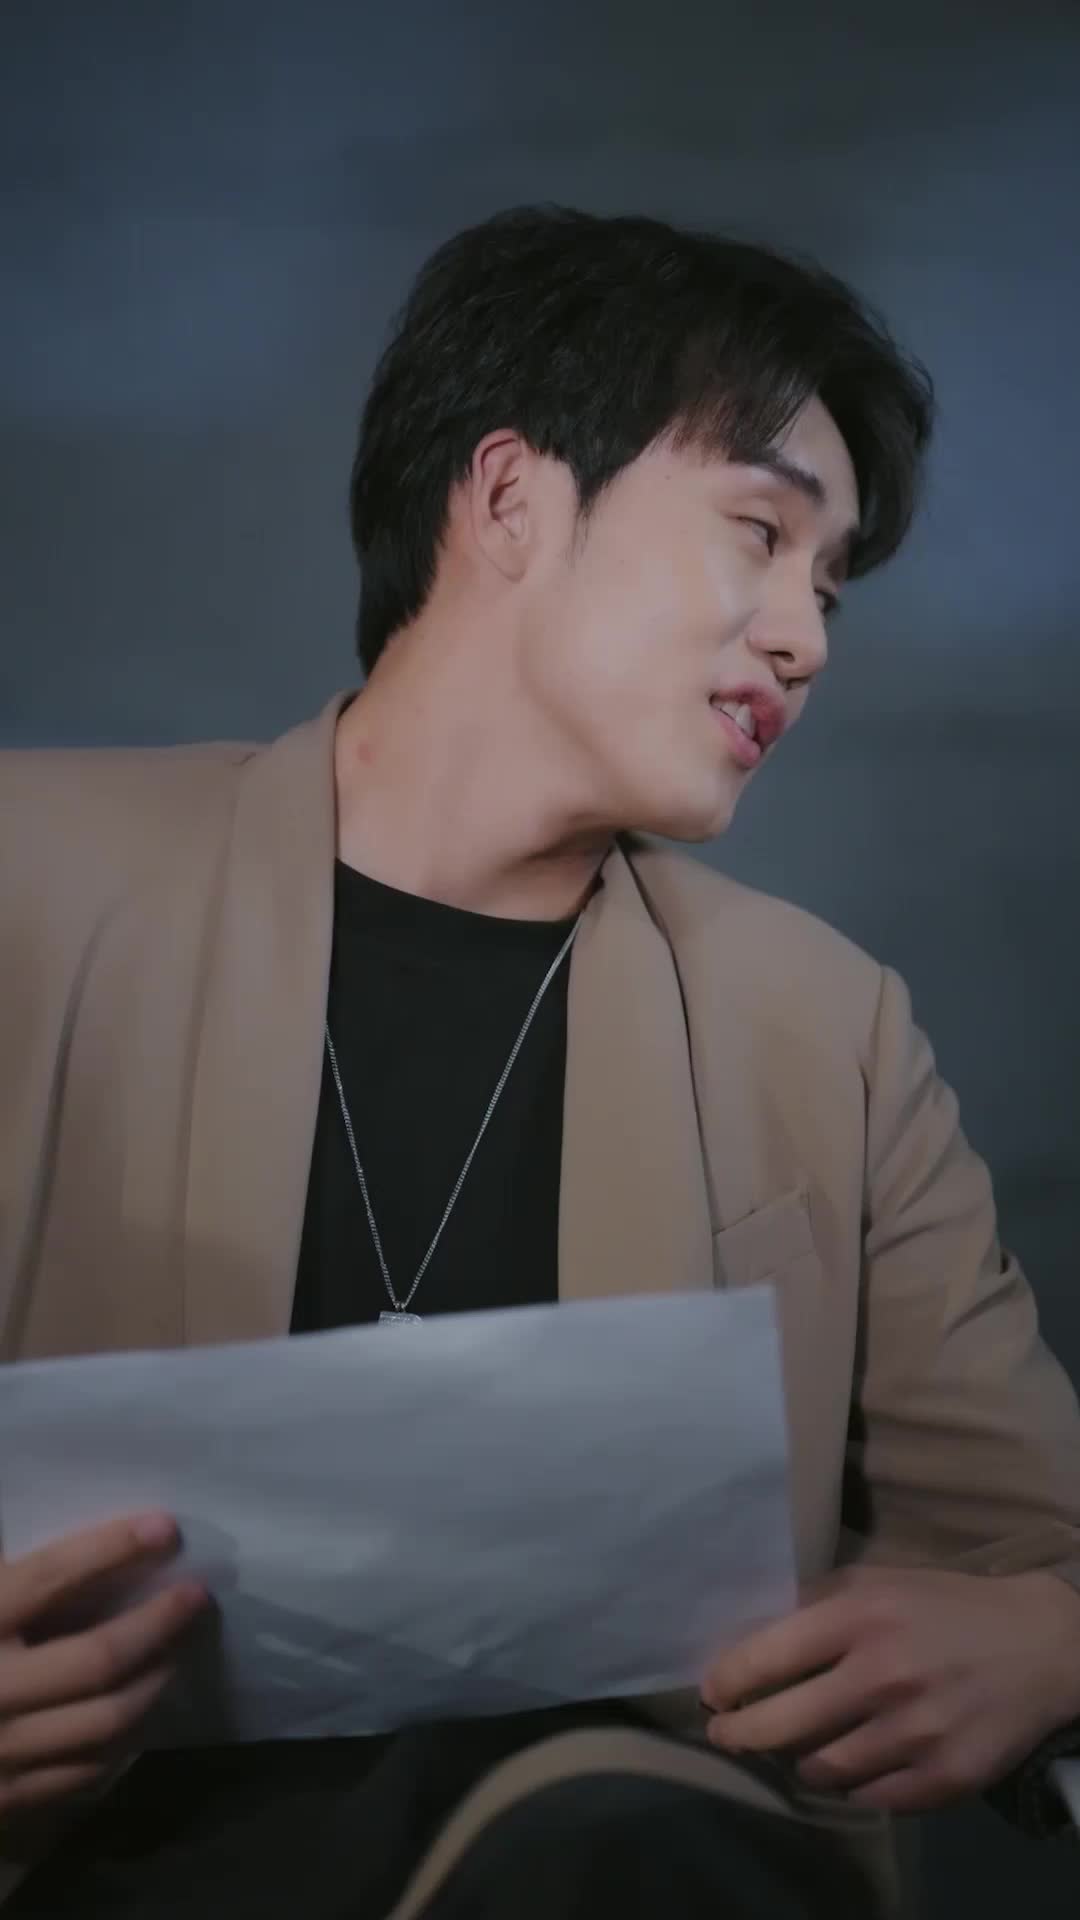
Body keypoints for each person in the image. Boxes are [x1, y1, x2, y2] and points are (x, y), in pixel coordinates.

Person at [1, 204, 1079, 1918]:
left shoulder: (829, 1033)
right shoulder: (31, 889)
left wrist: (1051, 1642)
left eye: (828, 589)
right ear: (509, 499)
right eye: (761, 534)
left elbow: (1042, 1549)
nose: (806, 639)